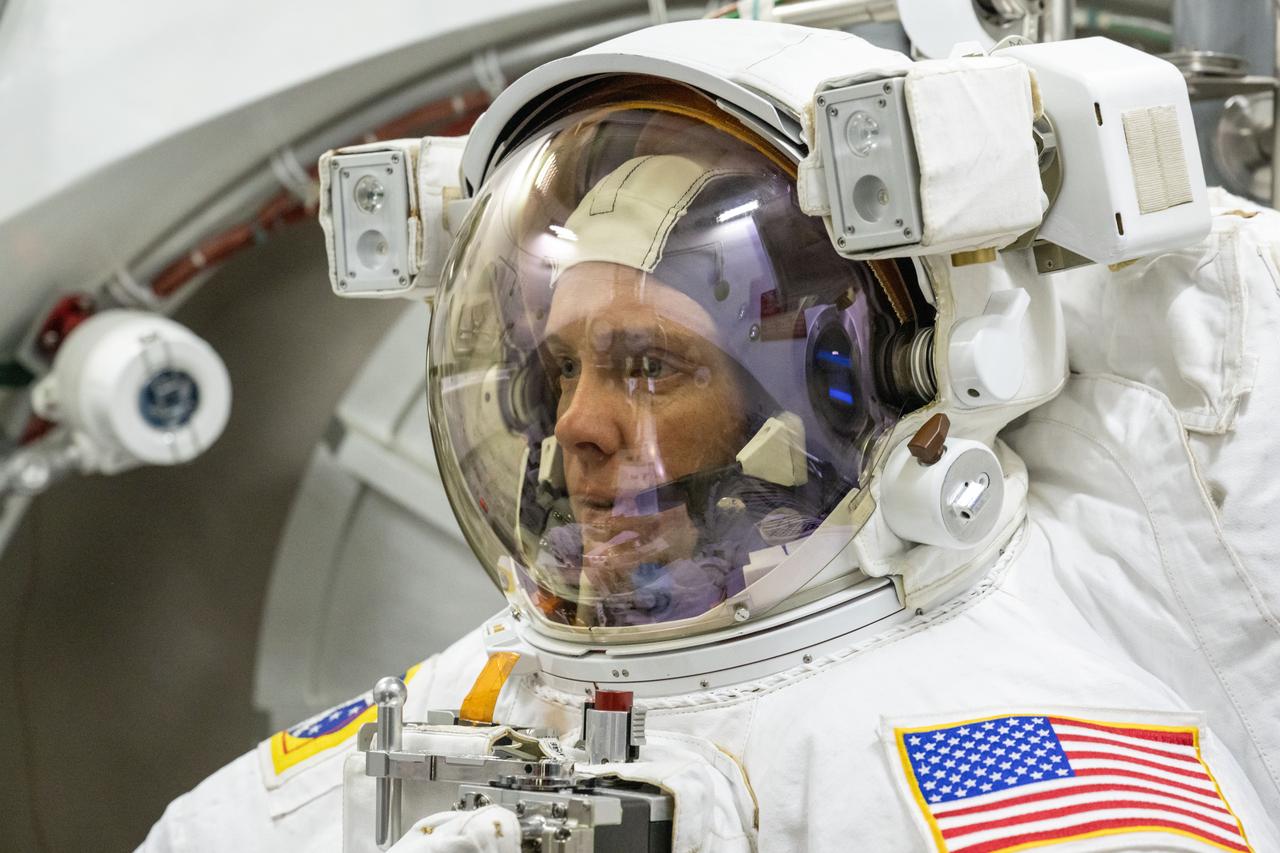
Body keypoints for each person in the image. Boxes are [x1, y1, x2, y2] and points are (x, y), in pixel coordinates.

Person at [140, 20, 1280, 853]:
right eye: (558, 372)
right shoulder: (461, 702)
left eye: (649, 367)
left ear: (841, 397)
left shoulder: (1014, 765)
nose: (578, 428)